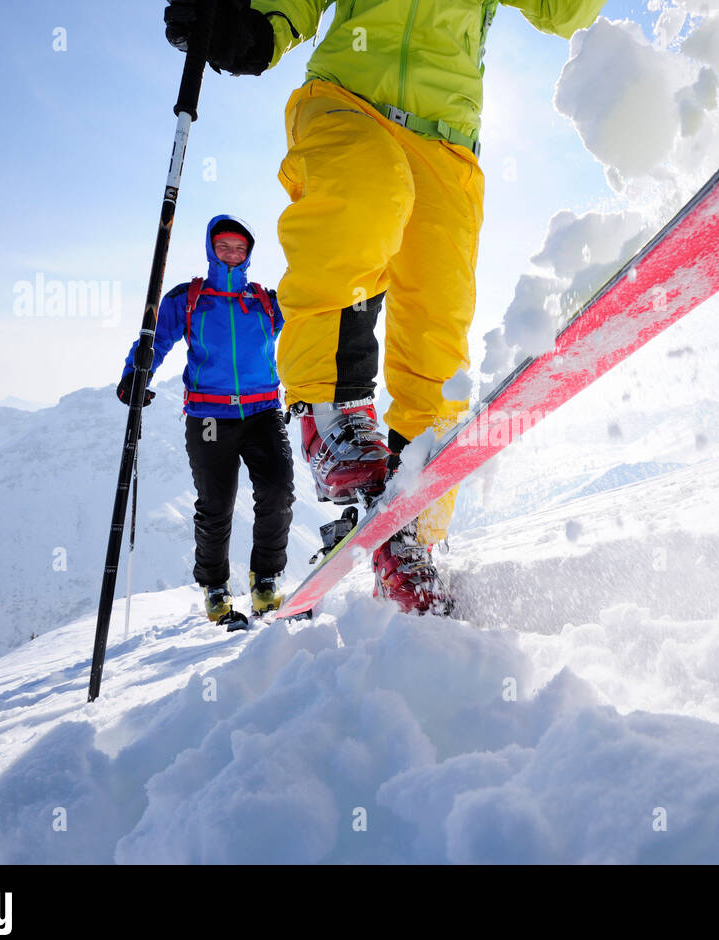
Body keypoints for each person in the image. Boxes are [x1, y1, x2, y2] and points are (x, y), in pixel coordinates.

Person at [164, 0, 607, 614]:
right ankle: (330, 411)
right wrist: (258, 26)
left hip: (447, 142)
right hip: (349, 100)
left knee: (438, 332)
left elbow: (562, 11)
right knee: (366, 198)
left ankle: (409, 531)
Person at [117, 214, 295, 623]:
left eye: (239, 248)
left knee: (277, 491)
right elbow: (156, 340)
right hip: (210, 416)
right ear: (211, 250)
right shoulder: (189, 298)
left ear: (248, 253)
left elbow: (306, 321)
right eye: (224, 247)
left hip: (263, 411)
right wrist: (135, 372)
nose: (232, 254)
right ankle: (216, 587)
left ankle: (266, 580)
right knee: (216, 505)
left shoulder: (265, 301)